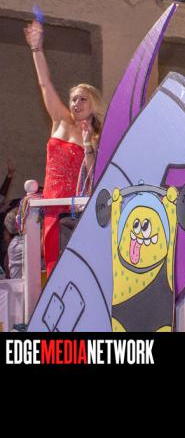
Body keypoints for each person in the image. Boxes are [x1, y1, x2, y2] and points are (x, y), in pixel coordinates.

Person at [24, 20, 103, 276]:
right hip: (52, 207)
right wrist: (37, 49)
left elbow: (95, 176)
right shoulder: (60, 120)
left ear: (93, 104)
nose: (76, 103)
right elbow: (45, 83)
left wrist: (88, 143)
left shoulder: (100, 136)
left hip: (78, 211)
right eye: (73, 99)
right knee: (54, 271)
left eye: (83, 99)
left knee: (78, 273)